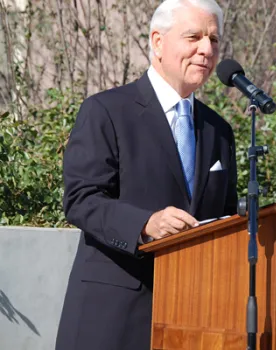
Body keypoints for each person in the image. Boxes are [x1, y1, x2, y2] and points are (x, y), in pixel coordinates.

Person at [55, 0, 237, 349]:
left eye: (214, 40)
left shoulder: (219, 130)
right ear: (157, 42)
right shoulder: (107, 110)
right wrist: (144, 224)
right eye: (194, 37)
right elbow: (81, 200)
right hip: (115, 317)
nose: (206, 50)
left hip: (193, 321)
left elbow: (222, 218)